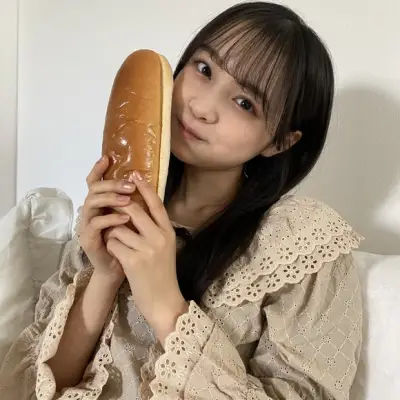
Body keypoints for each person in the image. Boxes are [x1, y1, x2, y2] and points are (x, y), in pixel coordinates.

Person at [0, 2, 363, 399]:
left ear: (280, 142)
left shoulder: (301, 242)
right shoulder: (120, 202)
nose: (201, 107)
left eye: (245, 103)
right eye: (204, 69)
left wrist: (164, 304)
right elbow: (28, 388)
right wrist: (105, 275)